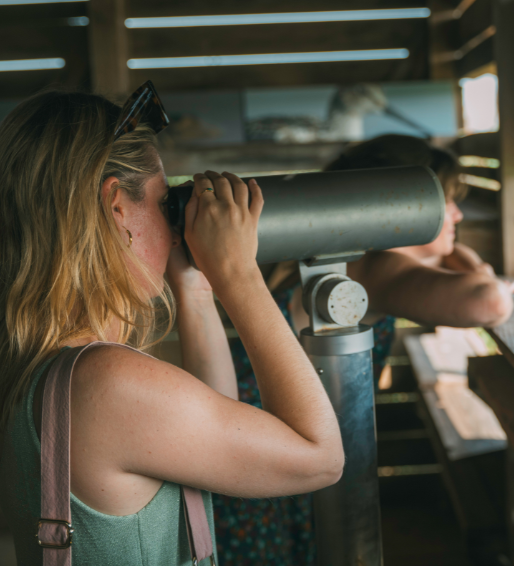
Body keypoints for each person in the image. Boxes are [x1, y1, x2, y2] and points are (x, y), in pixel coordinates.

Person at [0, 85, 343, 566]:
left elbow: (214, 428)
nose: (176, 225)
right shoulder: (108, 383)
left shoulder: (34, 370)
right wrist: (239, 276)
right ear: (117, 209)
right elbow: (319, 459)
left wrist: (198, 287)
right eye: (165, 204)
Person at [214, 134, 514, 565]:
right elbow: (489, 302)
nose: (458, 214)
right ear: (405, 202)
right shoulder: (379, 269)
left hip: (251, 449)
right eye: (446, 200)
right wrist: (481, 270)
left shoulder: (329, 253)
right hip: (277, 462)